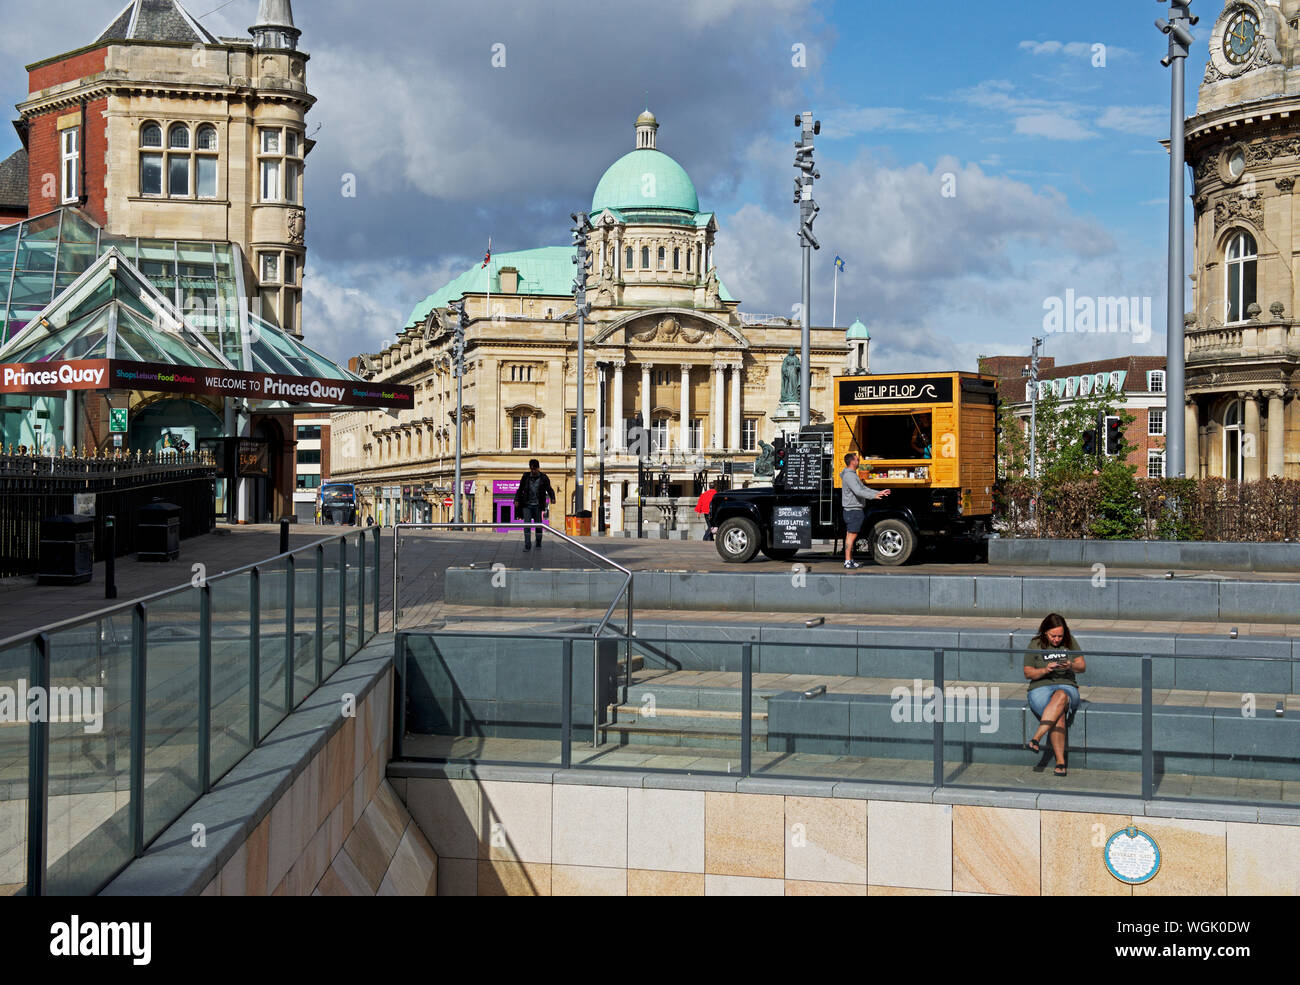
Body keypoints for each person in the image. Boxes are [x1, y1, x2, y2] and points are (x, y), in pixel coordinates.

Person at [1023, 613, 1086, 777]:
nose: (1057, 639)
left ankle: (1036, 737)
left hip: (1067, 685)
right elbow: (1028, 673)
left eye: (1060, 636)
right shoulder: (1035, 644)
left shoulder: (1069, 641)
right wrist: (1046, 669)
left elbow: (1082, 666)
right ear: (1045, 632)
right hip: (1041, 687)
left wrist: (1070, 665)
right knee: (1058, 712)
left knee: (1061, 694)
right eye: (1053, 636)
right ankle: (1060, 762)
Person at [840, 451, 890, 569]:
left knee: (850, 536)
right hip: (853, 510)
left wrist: (878, 492)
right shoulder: (850, 476)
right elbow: (858, 491)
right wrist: (874, 496)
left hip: (853, 509)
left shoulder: (852, 474)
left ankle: (850, 560)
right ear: (852, 462)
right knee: (851, 537)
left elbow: (863, 488)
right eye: (857, 459)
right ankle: (848, 561)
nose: (859, 461)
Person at [513, 458, 555, 551]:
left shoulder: (544, 478)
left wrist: (552, 497)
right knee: (527, 526)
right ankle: (527, 545)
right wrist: (516, 499)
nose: (533, 471)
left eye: (535, 469)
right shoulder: (525, 476)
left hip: (538, 505)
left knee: (538, 525)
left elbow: (549, 489)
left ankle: (538, 542)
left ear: (538, 468)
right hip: (527, 505)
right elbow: (520, 489)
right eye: (531, 469)